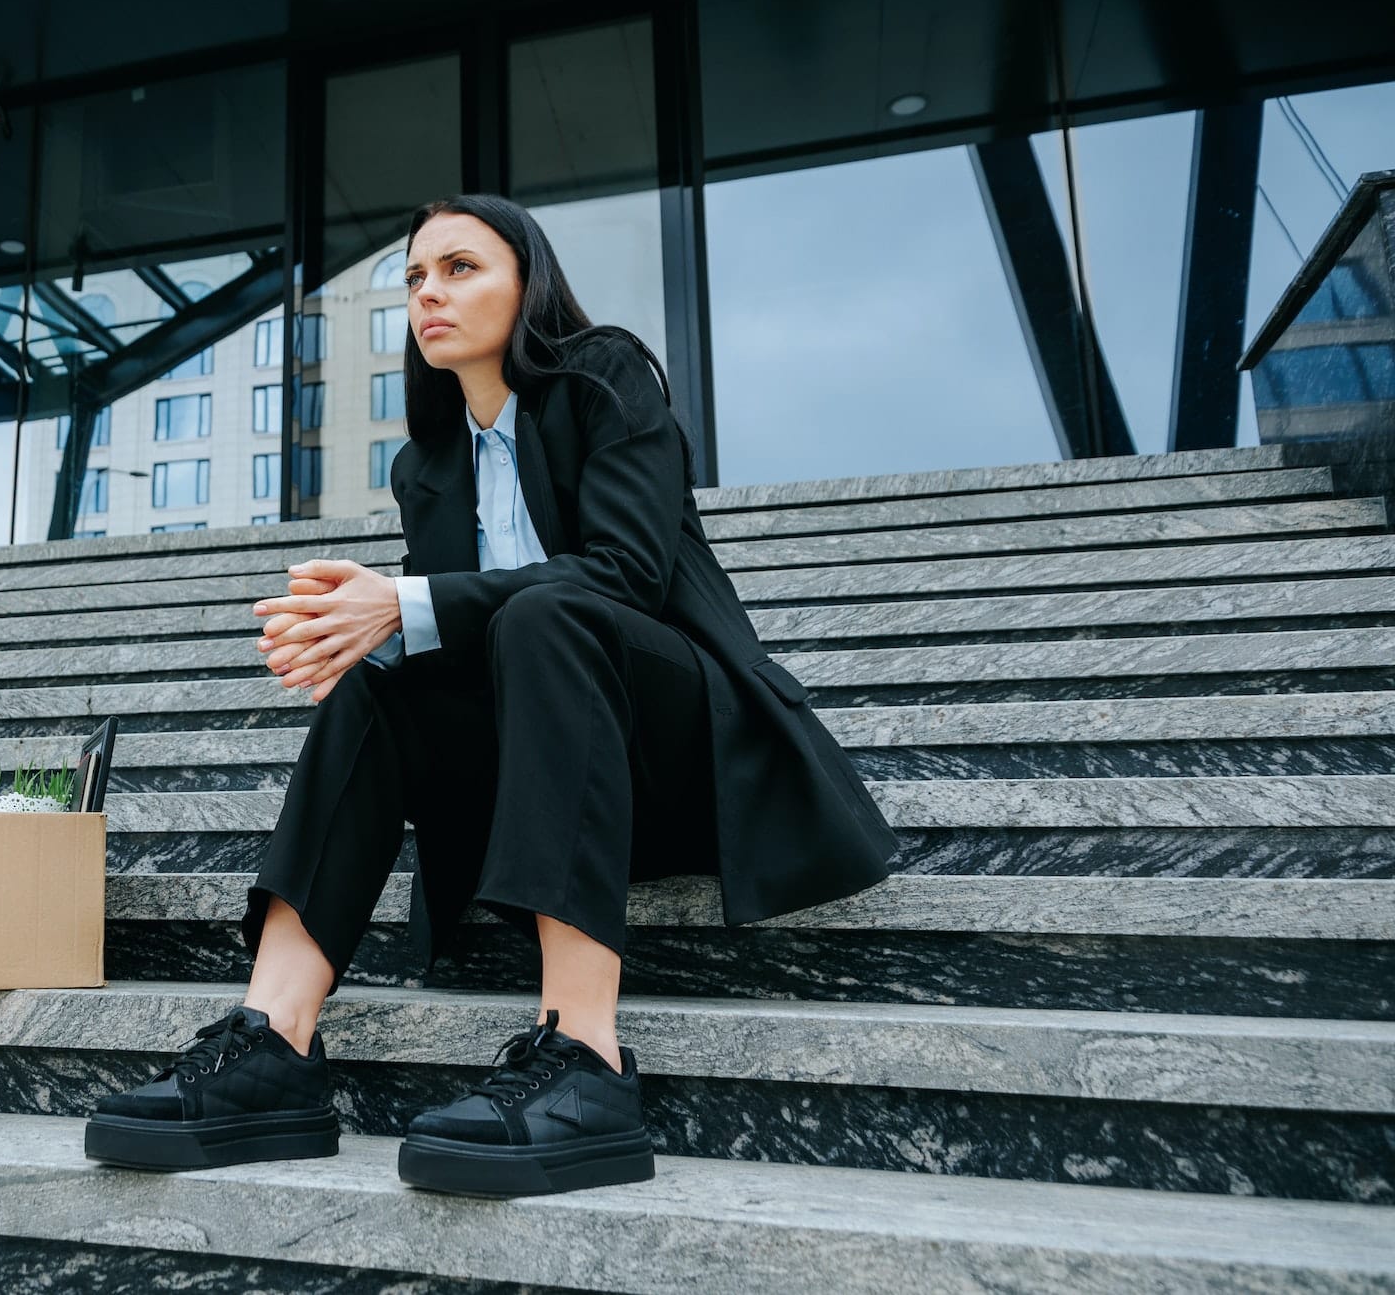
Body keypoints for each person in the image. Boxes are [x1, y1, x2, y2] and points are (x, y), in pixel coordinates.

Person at [84, 193, 898, 1198]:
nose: (430, 292)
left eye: (460, 268)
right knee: (375, 673)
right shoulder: (427, 468)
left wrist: (407, 599)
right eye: (416, 277)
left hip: (682, 754)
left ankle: (586, 1056)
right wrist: (370, 625)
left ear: (528, 282)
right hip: (552, 789)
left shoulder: (606, 379)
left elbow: (624, 574)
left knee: (539, 614)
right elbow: (448, 654)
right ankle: (271, 1046)